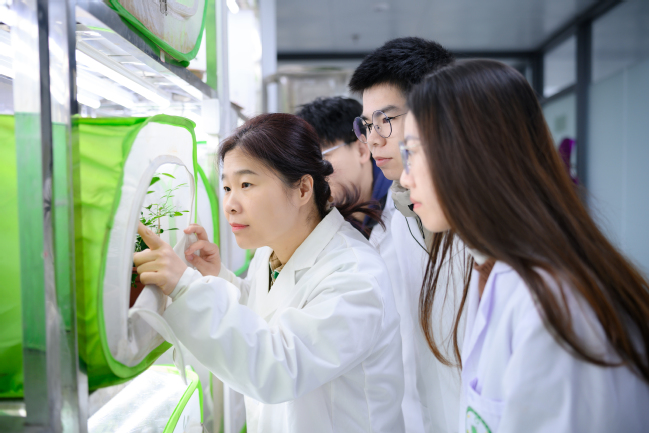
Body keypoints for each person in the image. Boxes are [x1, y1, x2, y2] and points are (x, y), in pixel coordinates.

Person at [401, 59, 649, 432]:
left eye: (412, 151)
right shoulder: (495, 272)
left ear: (468, 151)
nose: (405, 179)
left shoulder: (555, 307)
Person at [134, 113, 405, 433]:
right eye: (227, 187)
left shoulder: (355, 276)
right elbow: (266, 312)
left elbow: (279, 366)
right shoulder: (271, 250)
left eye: (246, 184)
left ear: (303, 189)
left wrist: (185, 287)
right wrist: (219, 277)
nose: (230, 204)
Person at [348, 36, 466, 433]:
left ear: (433, 112)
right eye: (367, 124)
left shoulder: (483, 231)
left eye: (385, 119)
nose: (373, 138)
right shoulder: (400, 215)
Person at [295, 96, 392, 238]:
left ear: (361, 151)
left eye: (321, 158)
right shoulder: (323, 220)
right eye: (305, 164)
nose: (312, 175)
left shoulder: (405, 204)